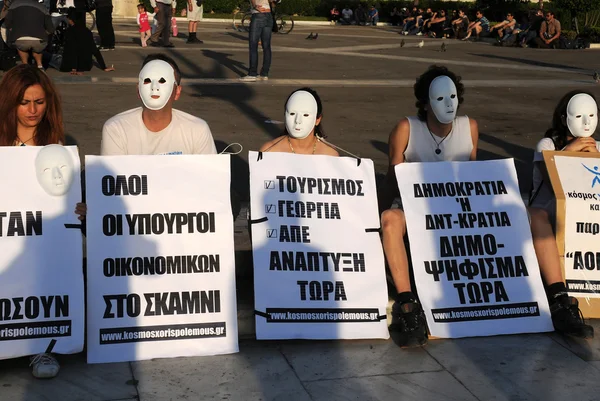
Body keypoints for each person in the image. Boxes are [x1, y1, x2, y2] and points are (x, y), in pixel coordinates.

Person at [379, 66, 479, 346]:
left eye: (453, 96)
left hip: (454, 212)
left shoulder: (469, 127)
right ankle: (407, 303)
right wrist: (373, 216)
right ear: (425, 103)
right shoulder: (406, 128)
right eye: (439, 98)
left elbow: (471, 178)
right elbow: (393, 177)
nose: (448, 104)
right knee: (389, 219)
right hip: (414, 209)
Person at [0, 64, 86, 378]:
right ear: (10, 102)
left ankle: (43, 347)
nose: (33, 110)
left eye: (39, 101)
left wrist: (80, 210)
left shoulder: (56, 147)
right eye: (25, 102)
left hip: (41, 242)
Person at [528, 90, 597, 338]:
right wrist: (571, 151)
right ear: (564, 117)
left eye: (592, 115)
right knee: (535, 215)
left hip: (588, 215)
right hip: (551, 214)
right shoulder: (548, 145)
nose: (587, 123)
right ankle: (559, 296)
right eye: (579, 116)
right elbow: (555, 180)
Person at [101, 54, 217, 156]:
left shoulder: (197, 130)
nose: (154, 87)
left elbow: (208, 177)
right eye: (147, 80)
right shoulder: (116, 129)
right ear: (139, 90)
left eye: (162, 81)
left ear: (177, 91)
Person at [260, 88, 338, 156]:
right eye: (292, 113)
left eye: (306, 115)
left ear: (317, 120)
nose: (298, 120)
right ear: (285, 115)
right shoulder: (269, 151)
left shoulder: (329, 154)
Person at [3, 0, 54, 70]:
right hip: (39, 39)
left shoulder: (14, 5)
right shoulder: (43, 7)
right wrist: (44, 34)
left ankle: (25, 65)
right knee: (38, 48)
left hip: (20, 38)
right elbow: (51, 29)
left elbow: (7, 23)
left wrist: (14, 30)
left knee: (22, 47)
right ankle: (40, 65)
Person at [60, 9, 115, 74]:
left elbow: (72, 49)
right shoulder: (87, 31)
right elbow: (95, 50)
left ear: (71, 20)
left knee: (51, 57)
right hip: (86, 65)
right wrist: (104, 67)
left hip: (71, 66)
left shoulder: (70, 31)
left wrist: (74, 68)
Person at [239, 0, 273, 82]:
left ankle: (252, 73)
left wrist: (255, 6)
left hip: (258, 15)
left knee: (253, 46)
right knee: (266, 46)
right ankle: (264, 73)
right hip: (269, 15)